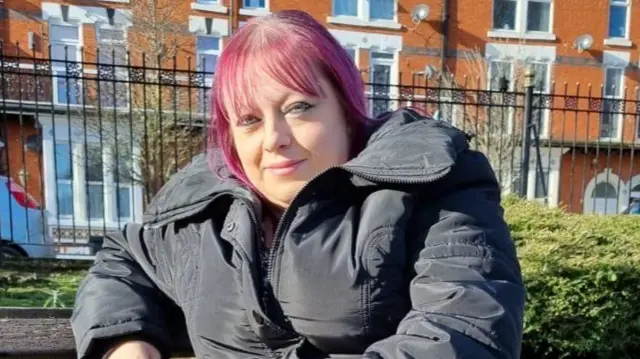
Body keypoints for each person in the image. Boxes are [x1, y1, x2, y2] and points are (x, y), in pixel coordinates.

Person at [71, 10, 525, 359]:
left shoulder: (431, 183)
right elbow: (123, 261)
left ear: (346, 110)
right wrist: (125, 340)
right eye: (248, 120)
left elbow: (465, 329)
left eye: (299, 108)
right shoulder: (202, 210)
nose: (273, 140)